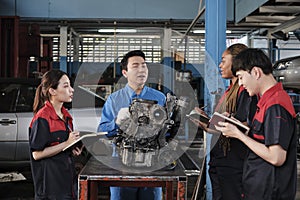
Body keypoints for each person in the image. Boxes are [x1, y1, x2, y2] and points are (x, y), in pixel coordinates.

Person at [216, 48, 297, 200]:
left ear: (256, 72)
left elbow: (276, 157)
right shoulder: (265, 101)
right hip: (259, 188)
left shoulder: (276, 105)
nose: (241, 83)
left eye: (241, 77)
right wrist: (237, 126)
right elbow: (262, 137)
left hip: (270, 191)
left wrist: (239, 135)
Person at [98, 50, 165, 200]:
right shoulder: (114, 100)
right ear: (125, 72)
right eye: (135, 66)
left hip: (152, 166)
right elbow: (102, 130)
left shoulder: (159, 98)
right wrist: (116, 123)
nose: (141, 70)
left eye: (144, 65)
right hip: (121, 165)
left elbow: (168, 132)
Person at [193, 43, 257, 200]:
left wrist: (215, 125)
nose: (220, 65)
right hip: (220, 159)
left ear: (236, 62)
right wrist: (207, 122)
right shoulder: (230, 90)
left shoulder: (245, 92)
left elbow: (242, 126)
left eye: (223, 61)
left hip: (233, 161)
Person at [29, 69, 83, 199]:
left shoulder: (66, 116)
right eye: (66, 86)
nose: (72, 90)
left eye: (70, 85)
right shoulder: (43, 118)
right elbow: (36, 154)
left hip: (67, 183)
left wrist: (72, 148)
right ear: (52, 91)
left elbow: (62, 147)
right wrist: (67, 143)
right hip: (50, 189)